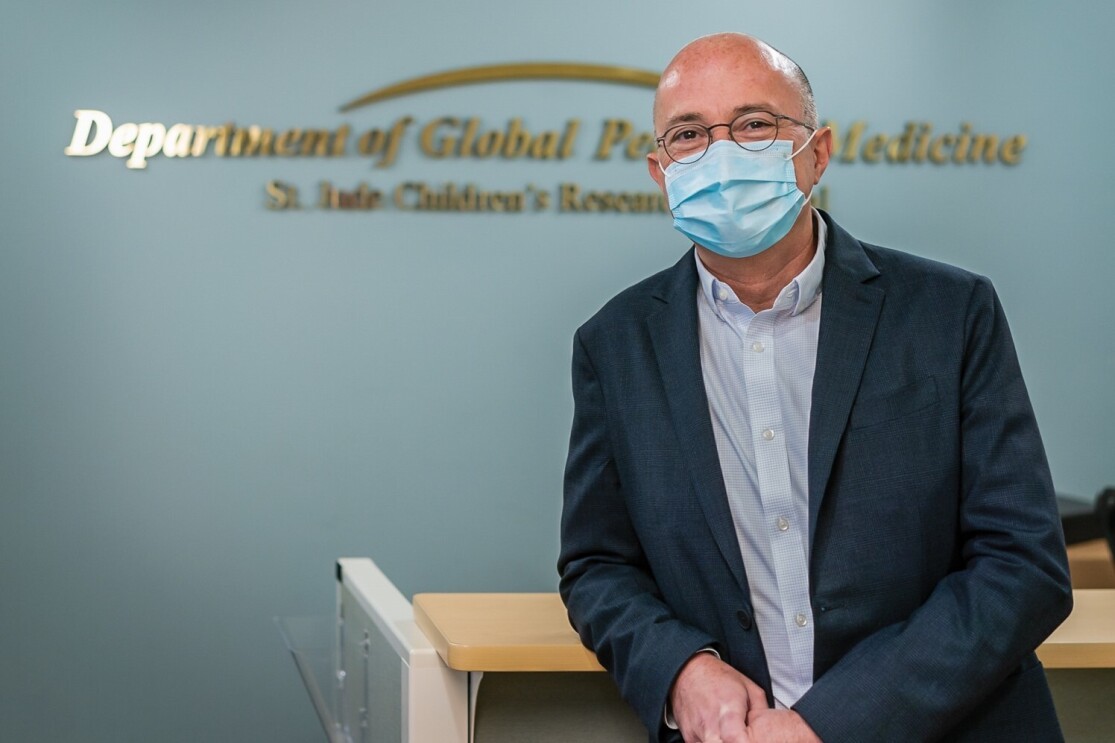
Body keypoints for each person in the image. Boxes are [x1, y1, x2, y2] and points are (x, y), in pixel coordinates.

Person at [557, 32, 1072, 743]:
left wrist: (833, 722)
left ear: (817, 152)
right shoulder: (614, 346)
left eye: (753, 124)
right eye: (687, 134)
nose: (722, 151)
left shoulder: (948, 314)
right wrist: (681, 668)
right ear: (659, 169)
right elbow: (597, 565)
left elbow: (1022, 564)